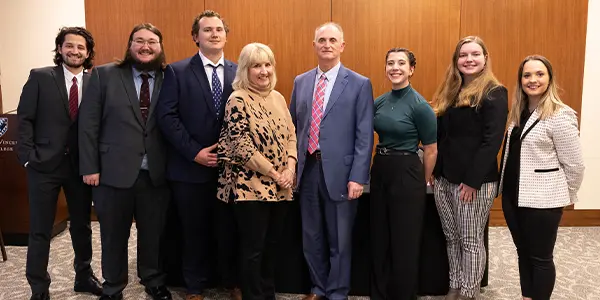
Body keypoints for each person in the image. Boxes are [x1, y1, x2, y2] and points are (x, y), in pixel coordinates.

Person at [78, 23, 171, 300]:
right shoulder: (104, 75)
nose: (145, 46)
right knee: (113, 235)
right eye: (139, 41)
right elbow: (88, 125)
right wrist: (90, 167)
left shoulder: (170, 77)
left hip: (156, 173)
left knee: (153, 235)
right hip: (111, 172)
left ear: (160, 47)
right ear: (129, 45)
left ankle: (153, 280)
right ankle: (113, 286)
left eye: (152, 42)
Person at [156, 10, 240, 300]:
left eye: (219, 29)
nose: (214, 34)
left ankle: (232, 282)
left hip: (232, 170)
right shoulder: (176, 71)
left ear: (226, 35)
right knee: (193, 231)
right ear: (195, 37)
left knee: (230, 230)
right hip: (189, 168)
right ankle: (194, 287)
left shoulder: (239, 71)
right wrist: (195, 152)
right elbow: (167, 117)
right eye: (207, 30)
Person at [290, 22, 374, 300]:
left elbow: (365, 134)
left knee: (340, 239)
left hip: (342, 172)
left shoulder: (360, 83)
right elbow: (293, 128)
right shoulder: (300, 82)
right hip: (308, 169)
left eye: (332, 40)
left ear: (342, 46)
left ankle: (337, 292)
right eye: (321, 40)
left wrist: (358, 176)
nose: (327, 44)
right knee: (311, 236)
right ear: (314, 45)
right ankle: (318, 287)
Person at [17, 26, 102, 300]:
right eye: (70, 46)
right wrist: (27, 158)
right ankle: (39, 287)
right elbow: (25, 119)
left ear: (88, 53)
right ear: (60, 48)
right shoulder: (41, 77)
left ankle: (83, 276)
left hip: (81, 167)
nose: (75, 51)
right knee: (40, 229)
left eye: (81, 47)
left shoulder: (96, 82)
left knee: (82, 225)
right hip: (43, 166)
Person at [499, 55, 584, 300]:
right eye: (527, 75)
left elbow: (575, 165)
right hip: (513, 197)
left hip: (543, 202)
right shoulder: (518, 112)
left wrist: (561, 196)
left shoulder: (560, 114)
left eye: (539, 74)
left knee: (540, 258)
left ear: (549, 79)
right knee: (523, 253)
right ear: (520, 80)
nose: (533, 80)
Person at [217, 42, 297, 300]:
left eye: (267, 64)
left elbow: (292, 135)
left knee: (272, 246)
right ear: (245, 70)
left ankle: (268, 294)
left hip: (282, 186)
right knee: (253, 249)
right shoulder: (237, 99)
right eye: (256, 66)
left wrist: (291, 167)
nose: (263, 71)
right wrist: (276, 173)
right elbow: (242, 147)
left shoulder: (278, 97)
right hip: (249, 187)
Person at [432, 36, 508, 300]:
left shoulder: (495, 93)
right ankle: (455, 285)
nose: (469, 60)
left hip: (474, 182)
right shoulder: (449, 92)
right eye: (463, 55)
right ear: (456, 60)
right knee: (451, 237)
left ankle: (469, 291)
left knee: (470, 240)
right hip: (445, 178)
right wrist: (435, 172)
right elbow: (442, 138)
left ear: (485, 58)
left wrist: (473, 181)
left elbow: (492, 142)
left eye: (475, 54)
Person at [370, 48, 437, 300]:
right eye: (390, 63)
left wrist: (423, 181)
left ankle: (404, 294)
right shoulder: (380, 101)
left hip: (407, 170)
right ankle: (380, 293)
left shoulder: (420, 106)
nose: (394, 67)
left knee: (404, 239)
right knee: (380, 235)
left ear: (411, 69)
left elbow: (431, 149)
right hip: (381, 168)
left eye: (401, 63)